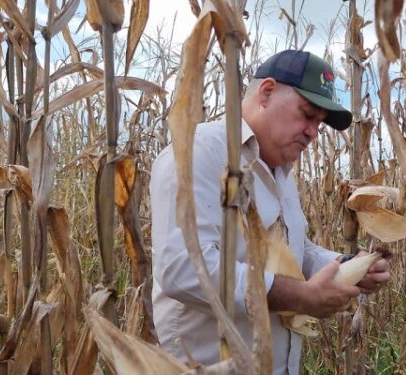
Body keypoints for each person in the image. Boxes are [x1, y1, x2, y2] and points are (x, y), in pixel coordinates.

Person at [150, 50, 391, 374]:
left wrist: (348, 267)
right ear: (266, 92)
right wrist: (300, 296)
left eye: (319, 123)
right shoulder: (200, 152)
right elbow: (184, 269)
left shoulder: (280, 173)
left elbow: (297, 250)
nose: (313, 132)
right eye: (307, 114)